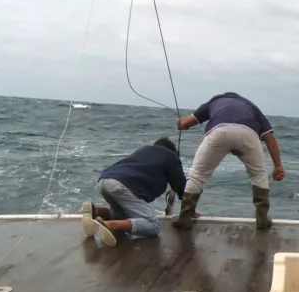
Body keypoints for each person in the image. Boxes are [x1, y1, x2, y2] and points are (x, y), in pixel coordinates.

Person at [174, 92, 285, 231]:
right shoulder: (250, 106)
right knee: (259, 175)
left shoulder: (214, 101)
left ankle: (184, 217)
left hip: (219, 132)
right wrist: (278, 166)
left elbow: (186, 123)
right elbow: (269, 137)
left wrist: (181, 123)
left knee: (197, 174)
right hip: (248, 134)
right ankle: (262, 219)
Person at [82, 137, 188, 247]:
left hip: (105, 179)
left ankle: (96, 212)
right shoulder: (171, 156)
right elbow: (181, 185)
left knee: (122, 214)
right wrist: (189, 208)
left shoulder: (144, 151)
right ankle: (108, 225)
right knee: (153, 225)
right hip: (122, 185)